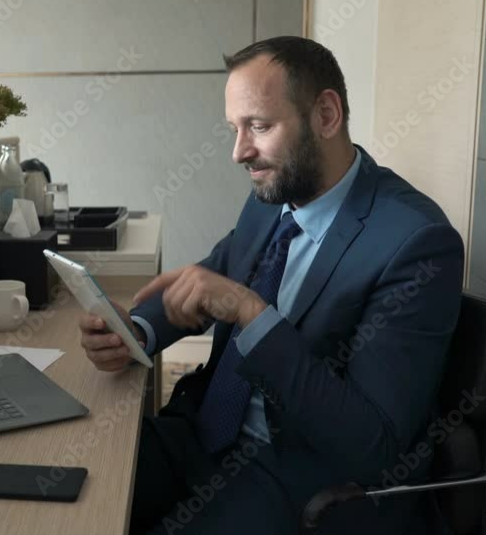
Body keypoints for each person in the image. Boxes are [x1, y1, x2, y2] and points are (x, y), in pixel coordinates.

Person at [78, 36, 463, 535]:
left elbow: (372, 445)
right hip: (205, 435)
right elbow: (213, 272)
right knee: (72, 489)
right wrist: (132, 332)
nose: (239, 151)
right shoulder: (272, 196)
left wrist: (252, 314)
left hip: (301, 478)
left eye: (259, 126)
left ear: (326, 115)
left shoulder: (414, 241)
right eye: (234, 129)